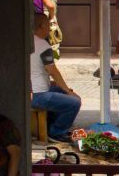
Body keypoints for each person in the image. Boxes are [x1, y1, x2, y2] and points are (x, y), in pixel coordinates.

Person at [30, 14, 81, 143]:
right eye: (48, 25)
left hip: (34, 92)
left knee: (61, 91)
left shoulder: (27, 41)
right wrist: (69, 92)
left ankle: (51, 125)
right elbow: (52, 70)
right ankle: (56, 132)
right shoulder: (42, 45)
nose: (50, 28)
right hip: (38, 95)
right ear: (41, 26)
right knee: (74, 102)